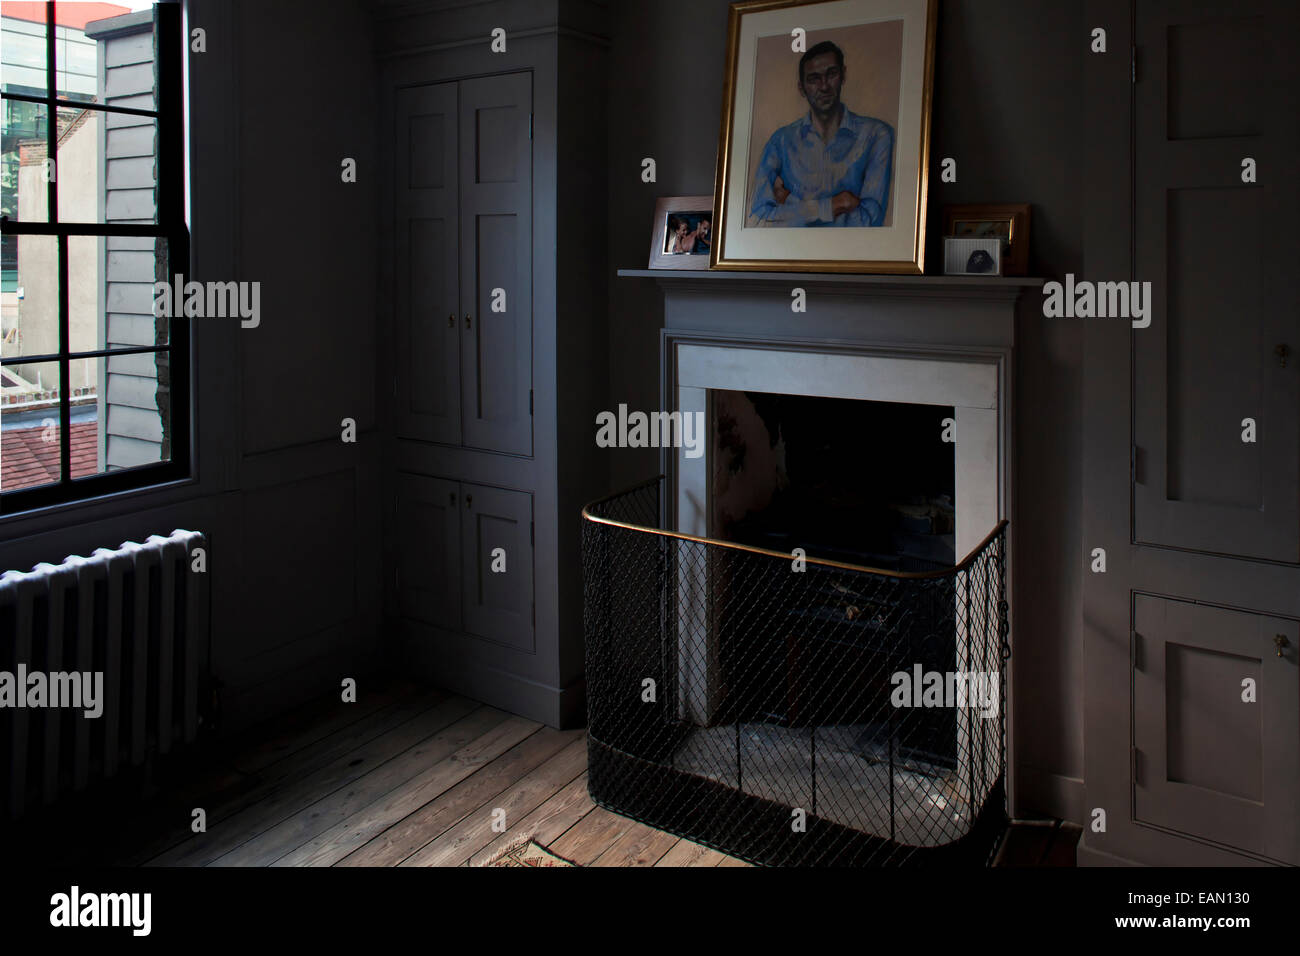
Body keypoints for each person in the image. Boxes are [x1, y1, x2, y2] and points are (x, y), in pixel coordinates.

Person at [748, 40, 894, 227]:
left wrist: (791, 204)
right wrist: (835, 204)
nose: (824, 86)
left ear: (843, 76)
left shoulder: (876, 135)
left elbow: (868, 221)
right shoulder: (781, 141)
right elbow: (758, 218)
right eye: (814, 78)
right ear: (801, 88)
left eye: (831, 74)